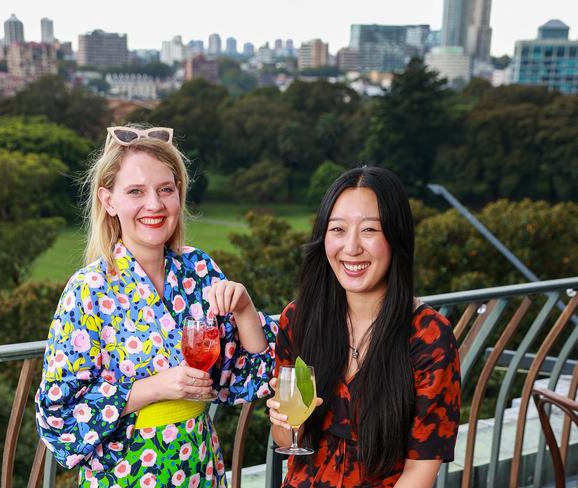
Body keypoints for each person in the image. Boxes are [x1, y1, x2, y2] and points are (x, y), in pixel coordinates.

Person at [35, 125, 276, 487]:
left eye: (166, 189)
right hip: (126, 474)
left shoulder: (199, 270)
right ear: (108, 200)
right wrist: (156, 387)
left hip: (201, 466)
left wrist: (244, 309)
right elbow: (59, 416)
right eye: (136, 191)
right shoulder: (88, 291)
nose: (155, 204)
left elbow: (250, 377)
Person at [267, 166, 461, 487]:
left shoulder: (429, 336)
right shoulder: (299, 319)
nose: (352, 247)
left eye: (370, 230)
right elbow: (285, 441)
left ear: (396, 236)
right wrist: (285, 422)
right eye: (338, 229)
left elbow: (420, 472)